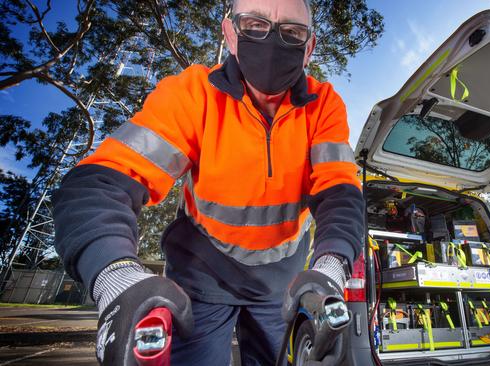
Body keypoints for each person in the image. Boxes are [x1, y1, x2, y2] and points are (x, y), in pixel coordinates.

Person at [52, 0, 364, 364]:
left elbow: (340, 193)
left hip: (281, 283)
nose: (272, 42)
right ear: (230, 33)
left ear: (309, 47)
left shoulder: (323, 105)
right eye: (254, 25)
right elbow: (101, 184)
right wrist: (115, 279)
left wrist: (330, 269)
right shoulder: (193, 94)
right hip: (202, 277)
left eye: (292, 33)